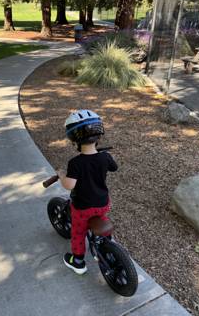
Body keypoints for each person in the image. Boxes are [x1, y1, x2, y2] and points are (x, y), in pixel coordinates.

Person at [57, 110, 118, 275]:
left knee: (78, 232)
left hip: (83, 207)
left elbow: (69, 185)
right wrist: (108, 156)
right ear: (99, 136)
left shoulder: (76, 163)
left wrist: (62, 175)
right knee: (102, 217)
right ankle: (106, 238)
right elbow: (114, 167)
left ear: (74, 139)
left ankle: (77, 261)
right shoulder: (105, 157)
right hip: (103, 203)